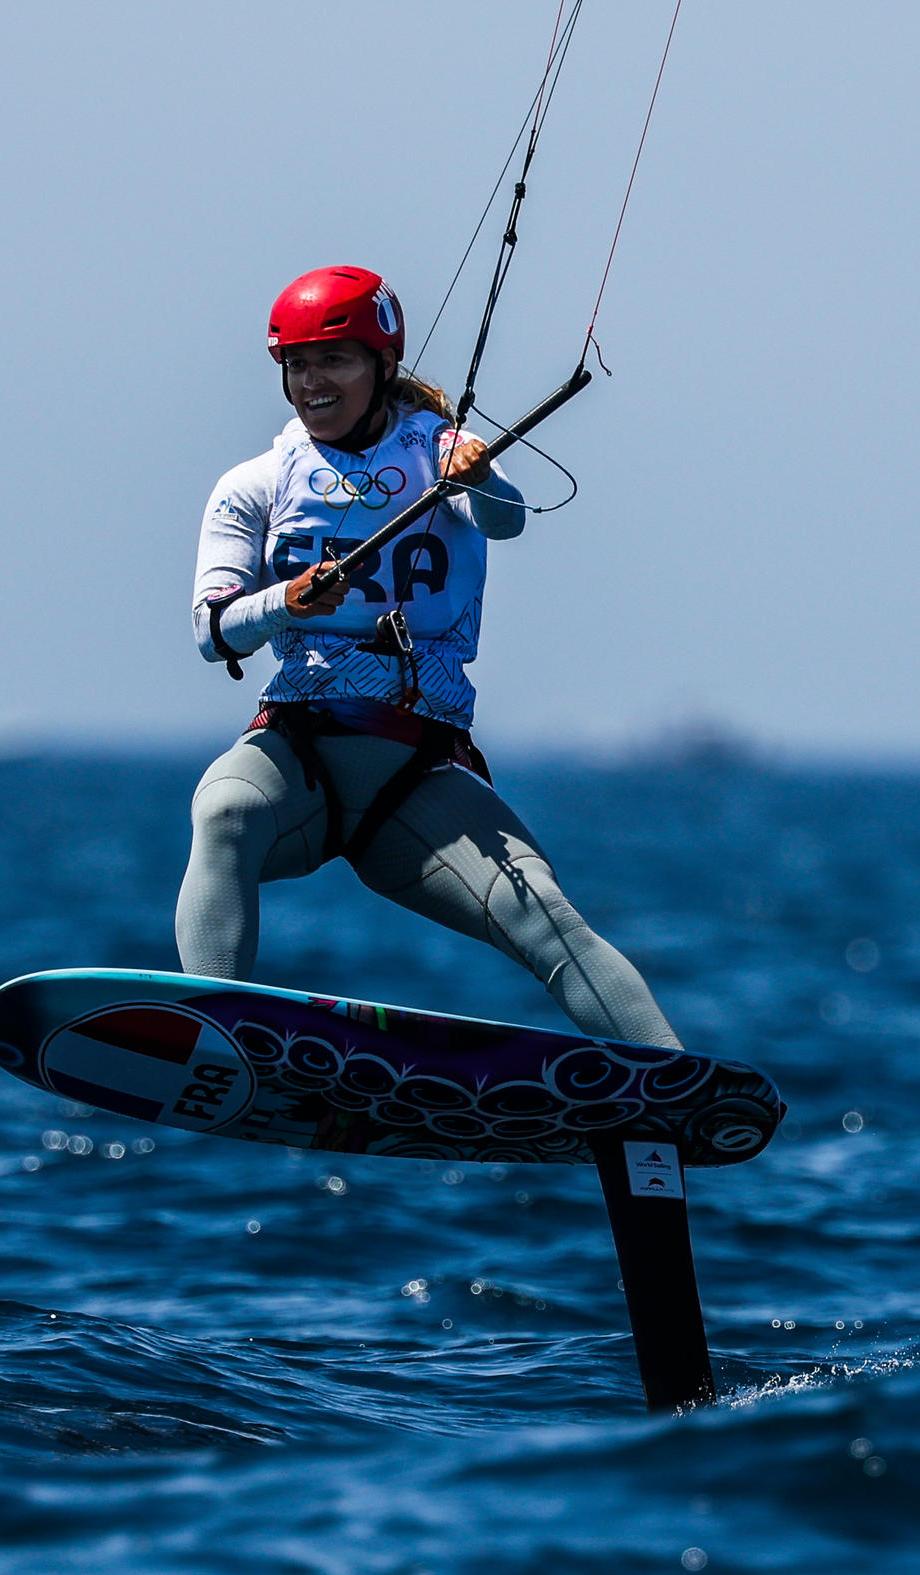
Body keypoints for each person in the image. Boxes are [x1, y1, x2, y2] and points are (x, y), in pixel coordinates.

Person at [180, 265, 682, 1050]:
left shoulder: (443, 452)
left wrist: (475, 478)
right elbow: (212, 634)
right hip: (297, 761)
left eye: (334, 360)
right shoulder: (254, 485)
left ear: (382, 365)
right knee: (225, 812)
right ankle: (216, 1042)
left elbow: (507, 520)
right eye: (296, 364)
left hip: (415, 774)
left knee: (545, 917)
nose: (312, 382)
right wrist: (287, 601)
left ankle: (671, 1089)